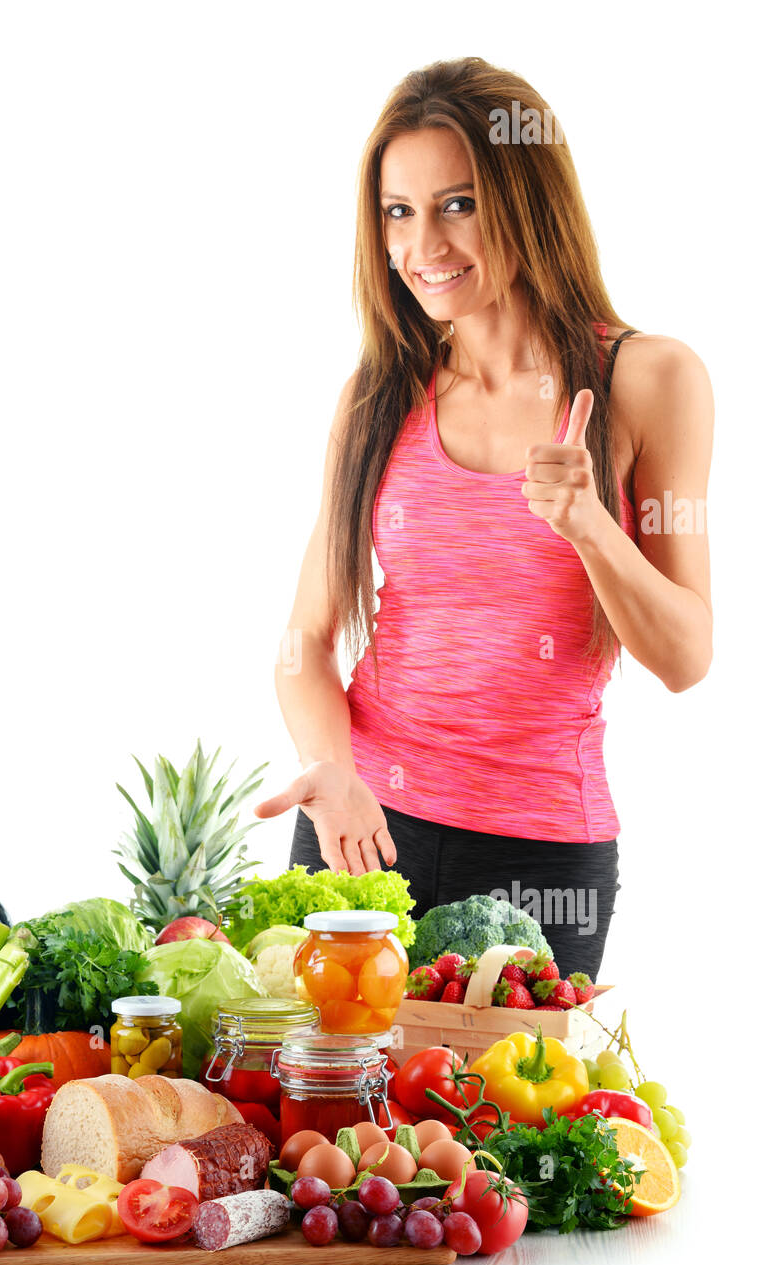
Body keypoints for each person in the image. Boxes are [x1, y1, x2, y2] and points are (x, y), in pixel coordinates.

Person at [254, 59, 713, 981]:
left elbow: (687, 657)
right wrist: (333, 773)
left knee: (498, 1124)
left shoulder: (649, 380)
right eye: (398, 211)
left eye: (457, 204)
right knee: (316, 1116)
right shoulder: (381, 397)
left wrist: (592, 526)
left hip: (541, 857)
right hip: (361, 833)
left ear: (525, 199)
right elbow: (306, 639)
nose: (426, 242)